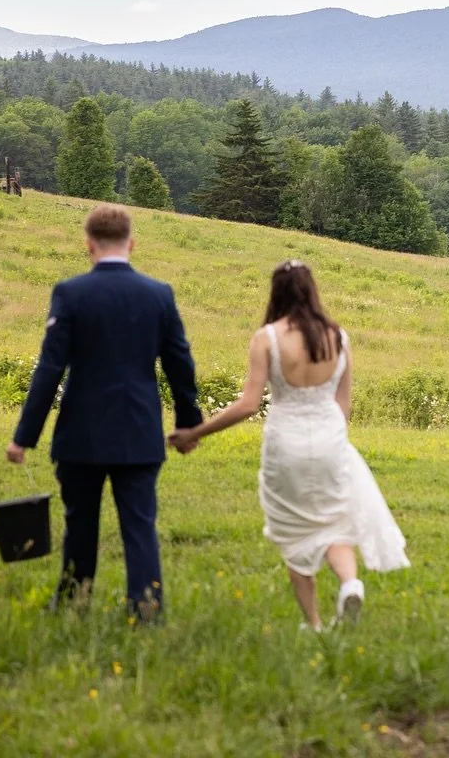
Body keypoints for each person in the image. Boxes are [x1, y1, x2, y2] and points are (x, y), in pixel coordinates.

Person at [168, 260, 408, 630]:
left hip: (286, 442)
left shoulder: (267, 338)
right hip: (331, 440)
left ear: (276, 292)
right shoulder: (338, 337)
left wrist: (195, 432)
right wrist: (333, 439)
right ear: (312, 291)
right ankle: (350, 583)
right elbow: (344, 403)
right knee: (333, 519)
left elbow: (249, 404)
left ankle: (313, 624)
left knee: (294, 528)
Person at [7, 204, 202, 621]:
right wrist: (188, 423)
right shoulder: (158, 294)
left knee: (80, 523)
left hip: (82, 431)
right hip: (139, 429)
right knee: (139, 525)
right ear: (131, 243)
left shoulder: (71, 293)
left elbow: (49, 369)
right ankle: (146, 608)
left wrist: (25, 436)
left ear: (88, 244)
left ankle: (74, 603)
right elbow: (180, 365)